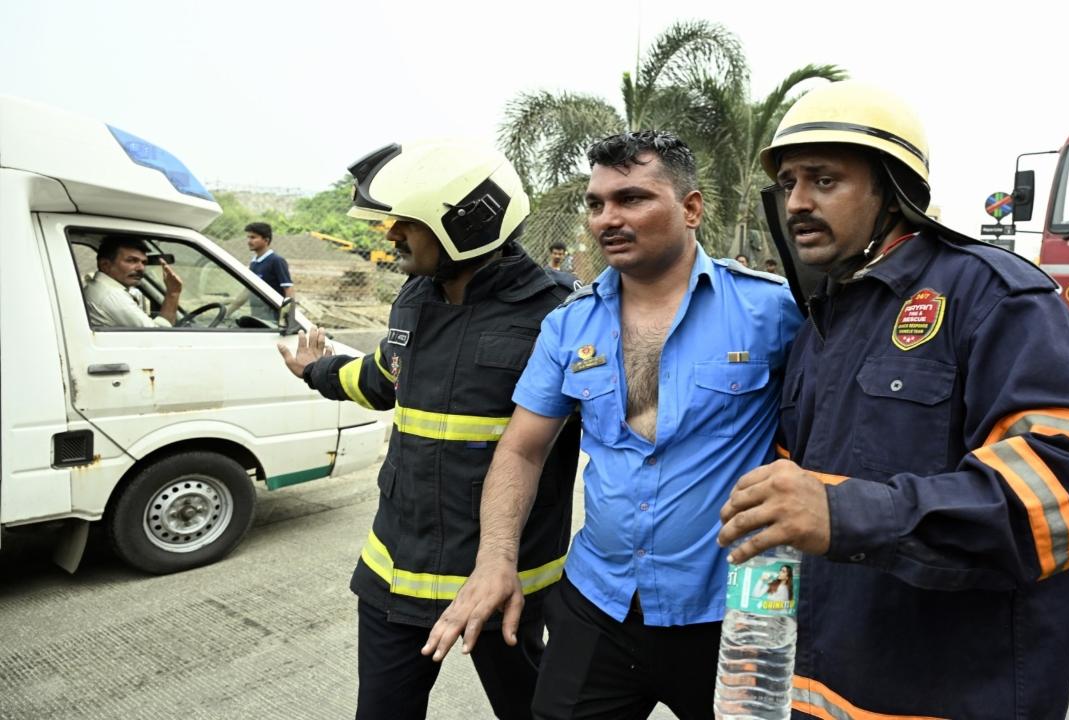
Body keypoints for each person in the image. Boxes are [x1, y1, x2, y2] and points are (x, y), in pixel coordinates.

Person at [718, 80, 1069, 719]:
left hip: (955, 696)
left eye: (824, 180)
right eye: (789, 184)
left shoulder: (995, 298)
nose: (797, 202)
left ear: (893, 191)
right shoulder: (823, 321)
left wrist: (849, 513)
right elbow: (792, 498)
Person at [424, 130, 803, 720]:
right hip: (599, 601)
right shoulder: (569, 327)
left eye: (631, 199)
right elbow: (523, 449)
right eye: (596, 204)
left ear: (691, 208)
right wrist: (495, 559)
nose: (607, 219)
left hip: (729, 610)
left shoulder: (770, 311)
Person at [277, 138, 580, 720]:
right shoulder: (414, 297)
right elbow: (386, 380)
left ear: (466, 227)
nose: (391, 236)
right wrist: (316, 371)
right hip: (396, 572)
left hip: (506, 585)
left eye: (406, 224)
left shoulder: (560, 314)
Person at [84, 235, 183, 328]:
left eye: (144, 262)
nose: (141, 268)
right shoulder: (111, 295)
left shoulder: (98, 288)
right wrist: (173, 293)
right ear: (105, 265)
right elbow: (159, 336)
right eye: (131, 260)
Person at [245, 222, 294, 298]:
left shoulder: (276, 261)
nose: (249, 241)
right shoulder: (253, 263)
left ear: (266, 240)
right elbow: (247, 292)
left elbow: (288, 289)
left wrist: (287, 309)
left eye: (253, 237)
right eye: (248, 237)